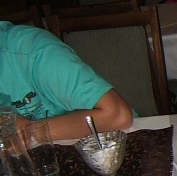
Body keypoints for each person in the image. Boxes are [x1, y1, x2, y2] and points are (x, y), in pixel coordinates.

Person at [0, 21, 133, 140]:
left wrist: (30, 132)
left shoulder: (37, 53)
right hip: (45, 149)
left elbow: (119, 115)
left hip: (113, 141)